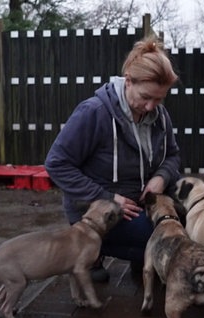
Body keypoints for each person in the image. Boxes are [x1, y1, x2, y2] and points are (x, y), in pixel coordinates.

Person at [44, 34, 181, 282]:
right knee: (163, 235)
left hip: (140, 202)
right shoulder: (94, 113)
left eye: (159, 98)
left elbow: (173, 155)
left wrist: (162, 176)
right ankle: (90, 251)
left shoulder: (160, 117)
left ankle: (143, 258)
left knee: (184, 221)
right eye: (145, 97)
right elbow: (56, 163)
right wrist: (106, 197)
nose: (151, 106)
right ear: (128, 82)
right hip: (100, 209)